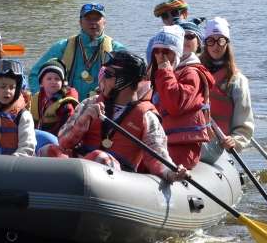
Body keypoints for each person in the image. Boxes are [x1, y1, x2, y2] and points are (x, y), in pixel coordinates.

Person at [41, 51, 182, 180]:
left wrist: (171, 172)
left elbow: (157, 155)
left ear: (124, 80)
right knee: (49, 150)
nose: (103, 80)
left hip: (117, 177)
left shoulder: (147, 116)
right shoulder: (89, 103)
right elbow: (64, 142)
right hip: (81, 168)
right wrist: (83, 120)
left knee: (100, 158)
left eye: (108, 75)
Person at [146, 24, 214, 175]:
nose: (160, 56)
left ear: (176, 53)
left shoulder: (192, 73)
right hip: (157, 143)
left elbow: (175, 104)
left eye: (166, 52)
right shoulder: (156, 74)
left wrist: (165, 70)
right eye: (157, 51)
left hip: (181, 149)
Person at [29, 3, 126, 98]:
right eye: (88, 18)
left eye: (97, 18)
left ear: (104, 22)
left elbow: (132, 78)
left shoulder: (116, 49)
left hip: (102, 106)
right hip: (67, 108)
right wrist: (44, 99)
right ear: (80, 22)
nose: (93, 22)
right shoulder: (62, 46)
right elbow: (34, 74)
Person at [197, 17, 254, 163]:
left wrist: (235, 140)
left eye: (221, 40)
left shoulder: (237, 81)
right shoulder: (193, 70)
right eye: (211, 41)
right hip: (190, 134)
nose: (216, 46)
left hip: (214, 143)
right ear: (205, 44)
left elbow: (244, 124)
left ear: (227, 43)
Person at [30, 59, 79, 136]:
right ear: (41, 83)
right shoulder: (36, 98)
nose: (53, 81)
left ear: (62, 83)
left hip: (57, 139)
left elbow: (69, 127)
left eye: (57, 79)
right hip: (37, 136)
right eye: (49, 79)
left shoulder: (66, 104)